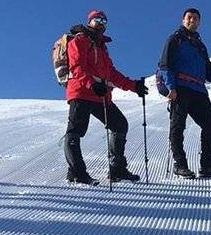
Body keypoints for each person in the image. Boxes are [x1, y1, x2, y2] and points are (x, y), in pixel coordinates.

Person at [62, 10, 149, 185]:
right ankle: (76, 173)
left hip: (100, 95)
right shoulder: (79, 40)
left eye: (104, 21)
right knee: (75, 131)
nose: (101, 23)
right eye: (97, 19)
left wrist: (134, 86)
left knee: (119, 124)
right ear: (89, 21)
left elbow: (112, 74)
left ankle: (117, 169)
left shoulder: (102, 47)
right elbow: (77, 67)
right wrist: (92, 84)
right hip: (81, 91)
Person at [158, 8, 211, 179]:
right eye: (189, 17)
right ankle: (180, 165)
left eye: (196, 18)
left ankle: (207, 166)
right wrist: (171, 87)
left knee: (209, 124)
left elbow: (209, 71)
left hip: (199, 91)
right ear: (183, 20)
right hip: (180, 88)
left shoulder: (200, 46)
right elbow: (166, 65)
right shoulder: (175, 39)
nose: (192, 20)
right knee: (178, 126)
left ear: (199, 22)